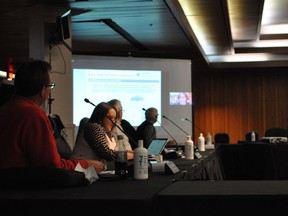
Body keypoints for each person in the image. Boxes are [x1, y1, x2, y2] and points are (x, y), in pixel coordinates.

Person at [0, 60, 105, 173]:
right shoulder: (33, 115)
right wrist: (88, 165)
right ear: (42, 90)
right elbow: (52, 166)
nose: (50, 90)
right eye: (51, 86)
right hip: (24, 187)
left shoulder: (5, 109)